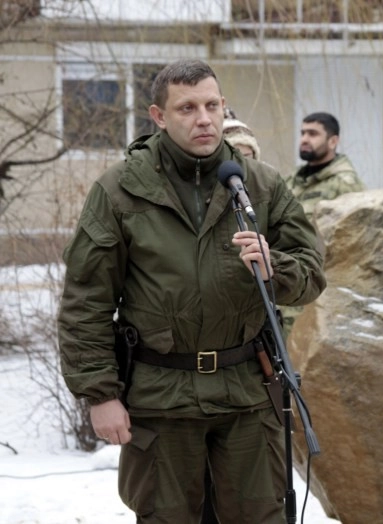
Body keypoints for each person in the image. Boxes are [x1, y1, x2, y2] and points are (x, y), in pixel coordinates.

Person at [57, 59, 326, 523]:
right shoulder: (121, 191)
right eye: (186, 108)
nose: (203, 118)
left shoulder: (258, 185)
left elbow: (311, 274)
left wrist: (274, 267)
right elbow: (86, 299)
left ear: (223, 107)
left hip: (247, 393)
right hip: (162, 398)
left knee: (260, 517)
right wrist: (100, 394)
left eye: (211, 105)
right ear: (159, 116)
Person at [281, 112, 366, 338]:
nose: (305, 139)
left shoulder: (345, 184)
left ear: (333, 141)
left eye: (313, 133)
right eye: (302, 133)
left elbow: (353, 247)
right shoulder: (292, 181)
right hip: (286, 290)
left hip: (318, 299)